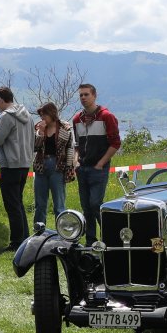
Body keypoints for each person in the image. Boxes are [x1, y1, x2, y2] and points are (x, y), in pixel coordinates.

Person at [71, 83, 120, 244]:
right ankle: (91, 241)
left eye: (86, 94)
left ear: (94, 96)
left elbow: (115, 143)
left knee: (95, 204)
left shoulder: (106, 116)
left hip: (98, 169)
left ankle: (110, 237)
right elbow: (77, 145)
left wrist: (101, 163)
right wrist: (76, 161)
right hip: (82, 168)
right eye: (81, 95)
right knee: (86, 207)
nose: (83, 97)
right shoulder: (77, 119)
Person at [0, 86, 34, 252]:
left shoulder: (6, 116)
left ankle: (16, 242)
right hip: (24, 164)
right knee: (18, 202)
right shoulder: (27, 115)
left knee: (12, 205)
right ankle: (25, 237)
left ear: (1, 99)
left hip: (10, 165)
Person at [32, 101, 77, 228]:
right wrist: (40, 133)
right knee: (40, 204)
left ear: (52, 114)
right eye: (41, 115)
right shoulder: (39, 128)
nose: (42, 118)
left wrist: (69, 169)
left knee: (59, 204)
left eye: (44, 115)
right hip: (41, 166)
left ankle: (62, 231)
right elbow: (35, 147)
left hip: (58, 167)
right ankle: (39, 231)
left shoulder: (65, 127)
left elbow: (70, 148)